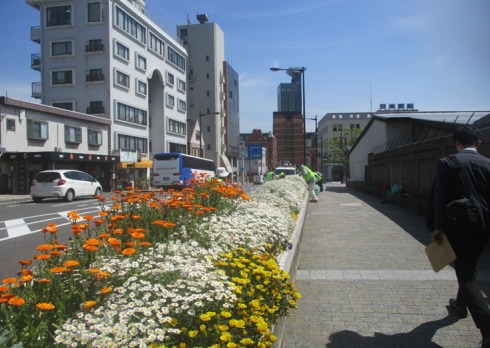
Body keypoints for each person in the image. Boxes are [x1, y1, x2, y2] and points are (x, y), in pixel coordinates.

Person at [428, 126, 490, 347]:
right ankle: (460, 306)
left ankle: (487, 329)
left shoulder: (448, 162)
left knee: (467, 277)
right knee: (468, 264)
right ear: (478, 143)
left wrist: (437, 227)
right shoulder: (487, 163)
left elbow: (440, 197)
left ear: (457, 143)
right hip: (484, 226)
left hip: (459, 226)